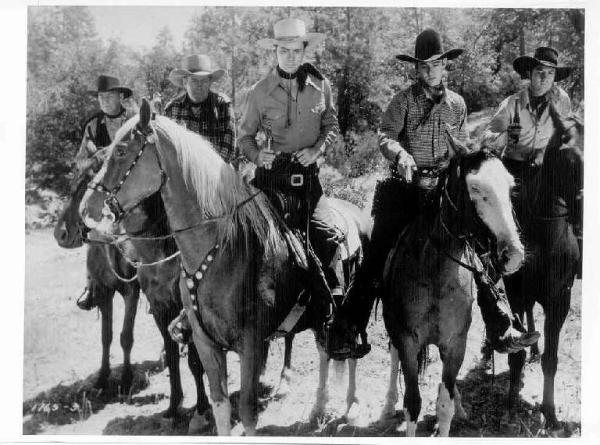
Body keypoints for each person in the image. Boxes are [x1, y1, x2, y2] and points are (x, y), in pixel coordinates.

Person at [347, 29, 540, 353]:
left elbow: (461, 147)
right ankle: (350, 327)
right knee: (378, 250)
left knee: (477, 247)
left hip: (442, 189)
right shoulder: (403, 100)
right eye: (423, 65)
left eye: (435, 64)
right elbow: (385, 135)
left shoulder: (457, 105)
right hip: (405, 187)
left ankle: (501, 326)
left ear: (444, 66)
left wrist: (472, 155)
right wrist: (401, 155)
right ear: (416, 68)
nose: (430, 70)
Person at [237, 18, 348, 355]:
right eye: (282, 50)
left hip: (308, 183)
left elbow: (331, 124)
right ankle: (232, 312)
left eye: (294, 49)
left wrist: (317, 149)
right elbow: (244, 137)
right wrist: (259, 157)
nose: (288, 55)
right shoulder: (259, 91)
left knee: (328, 237)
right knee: (242, 240)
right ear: (276, 52)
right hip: (270, 183)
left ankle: (333, 317)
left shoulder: (321, 86)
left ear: (304, 50)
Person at [75, 75, 138, 310]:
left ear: (121, 96)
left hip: (133, 185)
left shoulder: (133, 119)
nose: (104, 101)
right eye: (101, 97)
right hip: (104, 187)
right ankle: (91, 283)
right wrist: (96, 159)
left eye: (109, 96)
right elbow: (80, 161)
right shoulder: (93, 125)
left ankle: (156, 284)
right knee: (92, 229)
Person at [165, 54, 237, 164]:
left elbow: (228, 150)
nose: (199, 85)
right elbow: (167, 149)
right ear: (185, 83)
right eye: (194, 80)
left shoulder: (222, 105)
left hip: (216, 172)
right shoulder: (172, 108)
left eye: (204, 81)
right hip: (182, 172)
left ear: (210, 83)